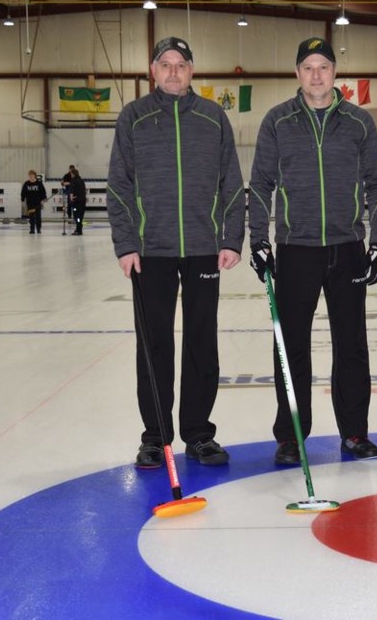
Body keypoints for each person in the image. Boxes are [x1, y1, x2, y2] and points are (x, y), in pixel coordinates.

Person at [248, 36, 377, 465]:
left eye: (323, 67)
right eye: (308, 67)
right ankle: (292, 436)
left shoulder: (359, 122)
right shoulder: (277, 121)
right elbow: (259, 185)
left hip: (348, 248)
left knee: (352, 345)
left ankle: (354, 433)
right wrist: (258, 239)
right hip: (296, 249)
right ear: (297, 74)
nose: (316, 74)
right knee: (291, 347)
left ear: (334, 73)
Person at [107, 36, 246, 468]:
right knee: (154, 346)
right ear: (153, 70)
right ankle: (156, 436)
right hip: (152, 252)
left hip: (205, 249)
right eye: (164, 64)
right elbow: (118, 186)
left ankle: (199, 434)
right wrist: (127, 244)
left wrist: (230, 238)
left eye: (181, 64)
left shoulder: (212, 117)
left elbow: (232, 183)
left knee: (202, 343)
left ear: (191, 70)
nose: (172, 71)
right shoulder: (133, 118)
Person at [20, 170, 48, 234]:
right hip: (29, 203)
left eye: (32, 175)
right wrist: (22, 200)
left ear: (34, 176)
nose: (30, 177)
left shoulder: (39, 183)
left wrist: (43, 199)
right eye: (29, 175)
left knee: (38, 217)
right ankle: (32, 229)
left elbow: (43, 192)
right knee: (31, 217)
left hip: (38, 203)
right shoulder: (26, 183)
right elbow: (23, 192)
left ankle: (38, 229)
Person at [69, 168, 87, 235]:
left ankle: (78, 229)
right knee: (80, 216)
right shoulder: (82, 180)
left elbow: (71, 190)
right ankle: (79, 229)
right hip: (82, 201)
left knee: (76, 216)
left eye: (71, 174)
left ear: (73, 174)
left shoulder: (73, 180)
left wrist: (71, 198)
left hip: (76, 201)